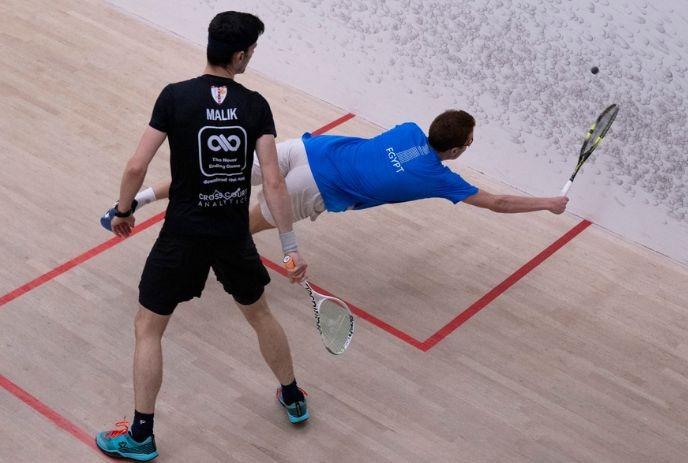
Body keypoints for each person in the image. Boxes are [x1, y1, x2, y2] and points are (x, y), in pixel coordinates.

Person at [95, 12, 309, 462]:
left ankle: (141, 435)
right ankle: (292, 396)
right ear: (239, 54)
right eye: (252, 50)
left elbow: (136, 166)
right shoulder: (255, 106)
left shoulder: (175, 97)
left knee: (149, 328)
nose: (252, 56)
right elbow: (272, 182)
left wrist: (124, 209)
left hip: (182, 237)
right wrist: (290, 250)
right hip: (233, 236)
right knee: (259, 314)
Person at [102, 110, 569, 240]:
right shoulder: (440, 178)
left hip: (308, 148)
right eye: (468, 143)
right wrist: (547, 202)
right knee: (240, 228)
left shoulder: (408, 129)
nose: (469, 147)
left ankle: (137, 201)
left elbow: (390, 160)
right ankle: (187, 246)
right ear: (454, 148)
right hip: (317, 186)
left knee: (213, 178)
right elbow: (499, 203)